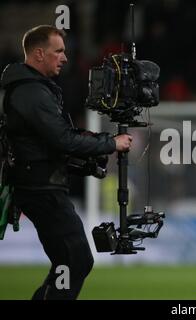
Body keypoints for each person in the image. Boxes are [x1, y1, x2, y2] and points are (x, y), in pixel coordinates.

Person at [0, 25, 133, 299]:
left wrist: (88, 153)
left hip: (42, 187)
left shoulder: (33, 88)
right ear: (39, 54)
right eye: (58, 51)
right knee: (75, 260)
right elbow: (62, 139)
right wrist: (111, 143)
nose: (65, 58)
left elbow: (52, 142)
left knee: (71, 261)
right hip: (41, 190)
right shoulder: (31, 92)